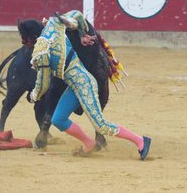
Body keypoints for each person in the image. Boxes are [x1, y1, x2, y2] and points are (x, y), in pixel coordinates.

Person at [18, 10, 151, 160]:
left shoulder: (41, 53)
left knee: (101, 125)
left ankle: (140, 141)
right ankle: (89, 144)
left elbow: (44, 84)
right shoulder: (53, 25)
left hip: (84, 85)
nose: (25, 45)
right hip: (74, 85)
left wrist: (33, 95)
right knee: (58, 119)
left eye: (25, 41)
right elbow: (77, 14)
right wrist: (81, 33)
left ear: (33, 38)